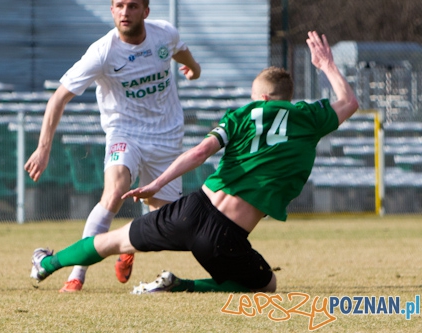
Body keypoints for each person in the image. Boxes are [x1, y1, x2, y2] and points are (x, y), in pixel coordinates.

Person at [30, 31, 359, 294]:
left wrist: (157, 184)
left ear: (261, 98)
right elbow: (349, 102)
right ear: (286, 97)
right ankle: (180, 285)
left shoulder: (241, 116)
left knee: (111, 241)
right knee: (265, 286)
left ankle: (47, 264)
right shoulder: (308, 118)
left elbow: (200, 153)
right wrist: (326, 64)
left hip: (190, 209)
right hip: (225, 236)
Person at [24, 0, 202, 292]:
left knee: (166, 226)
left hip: (166, 136)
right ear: (111, 10)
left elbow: (181, 52)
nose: (125, 12)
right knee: (115, 192)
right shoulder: (102, 52)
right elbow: (58, 98)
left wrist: (193, 69)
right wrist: (43, 149)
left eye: (132, 6)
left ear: (145, 11)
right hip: (125, 132)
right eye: (119, 6)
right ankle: (76, 275)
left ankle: (125, 247)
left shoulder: (164, 34)